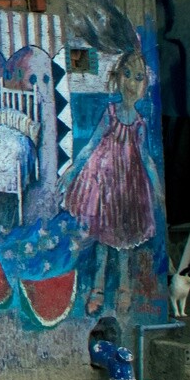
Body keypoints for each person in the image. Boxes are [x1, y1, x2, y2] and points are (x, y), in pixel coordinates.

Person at [62, 51, 161, 315]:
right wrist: (72, 172)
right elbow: (92, 144)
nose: (131, 83)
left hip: (128, 189)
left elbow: (146, 157)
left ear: (144, 85)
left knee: (125, 243)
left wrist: (157, 189)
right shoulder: (110, 113)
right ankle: (98, 288)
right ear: (117, 78)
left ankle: (125, 288)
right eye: (126, 75)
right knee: (104, 243)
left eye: (138, 78)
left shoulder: (140, 123)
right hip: (106, 187)